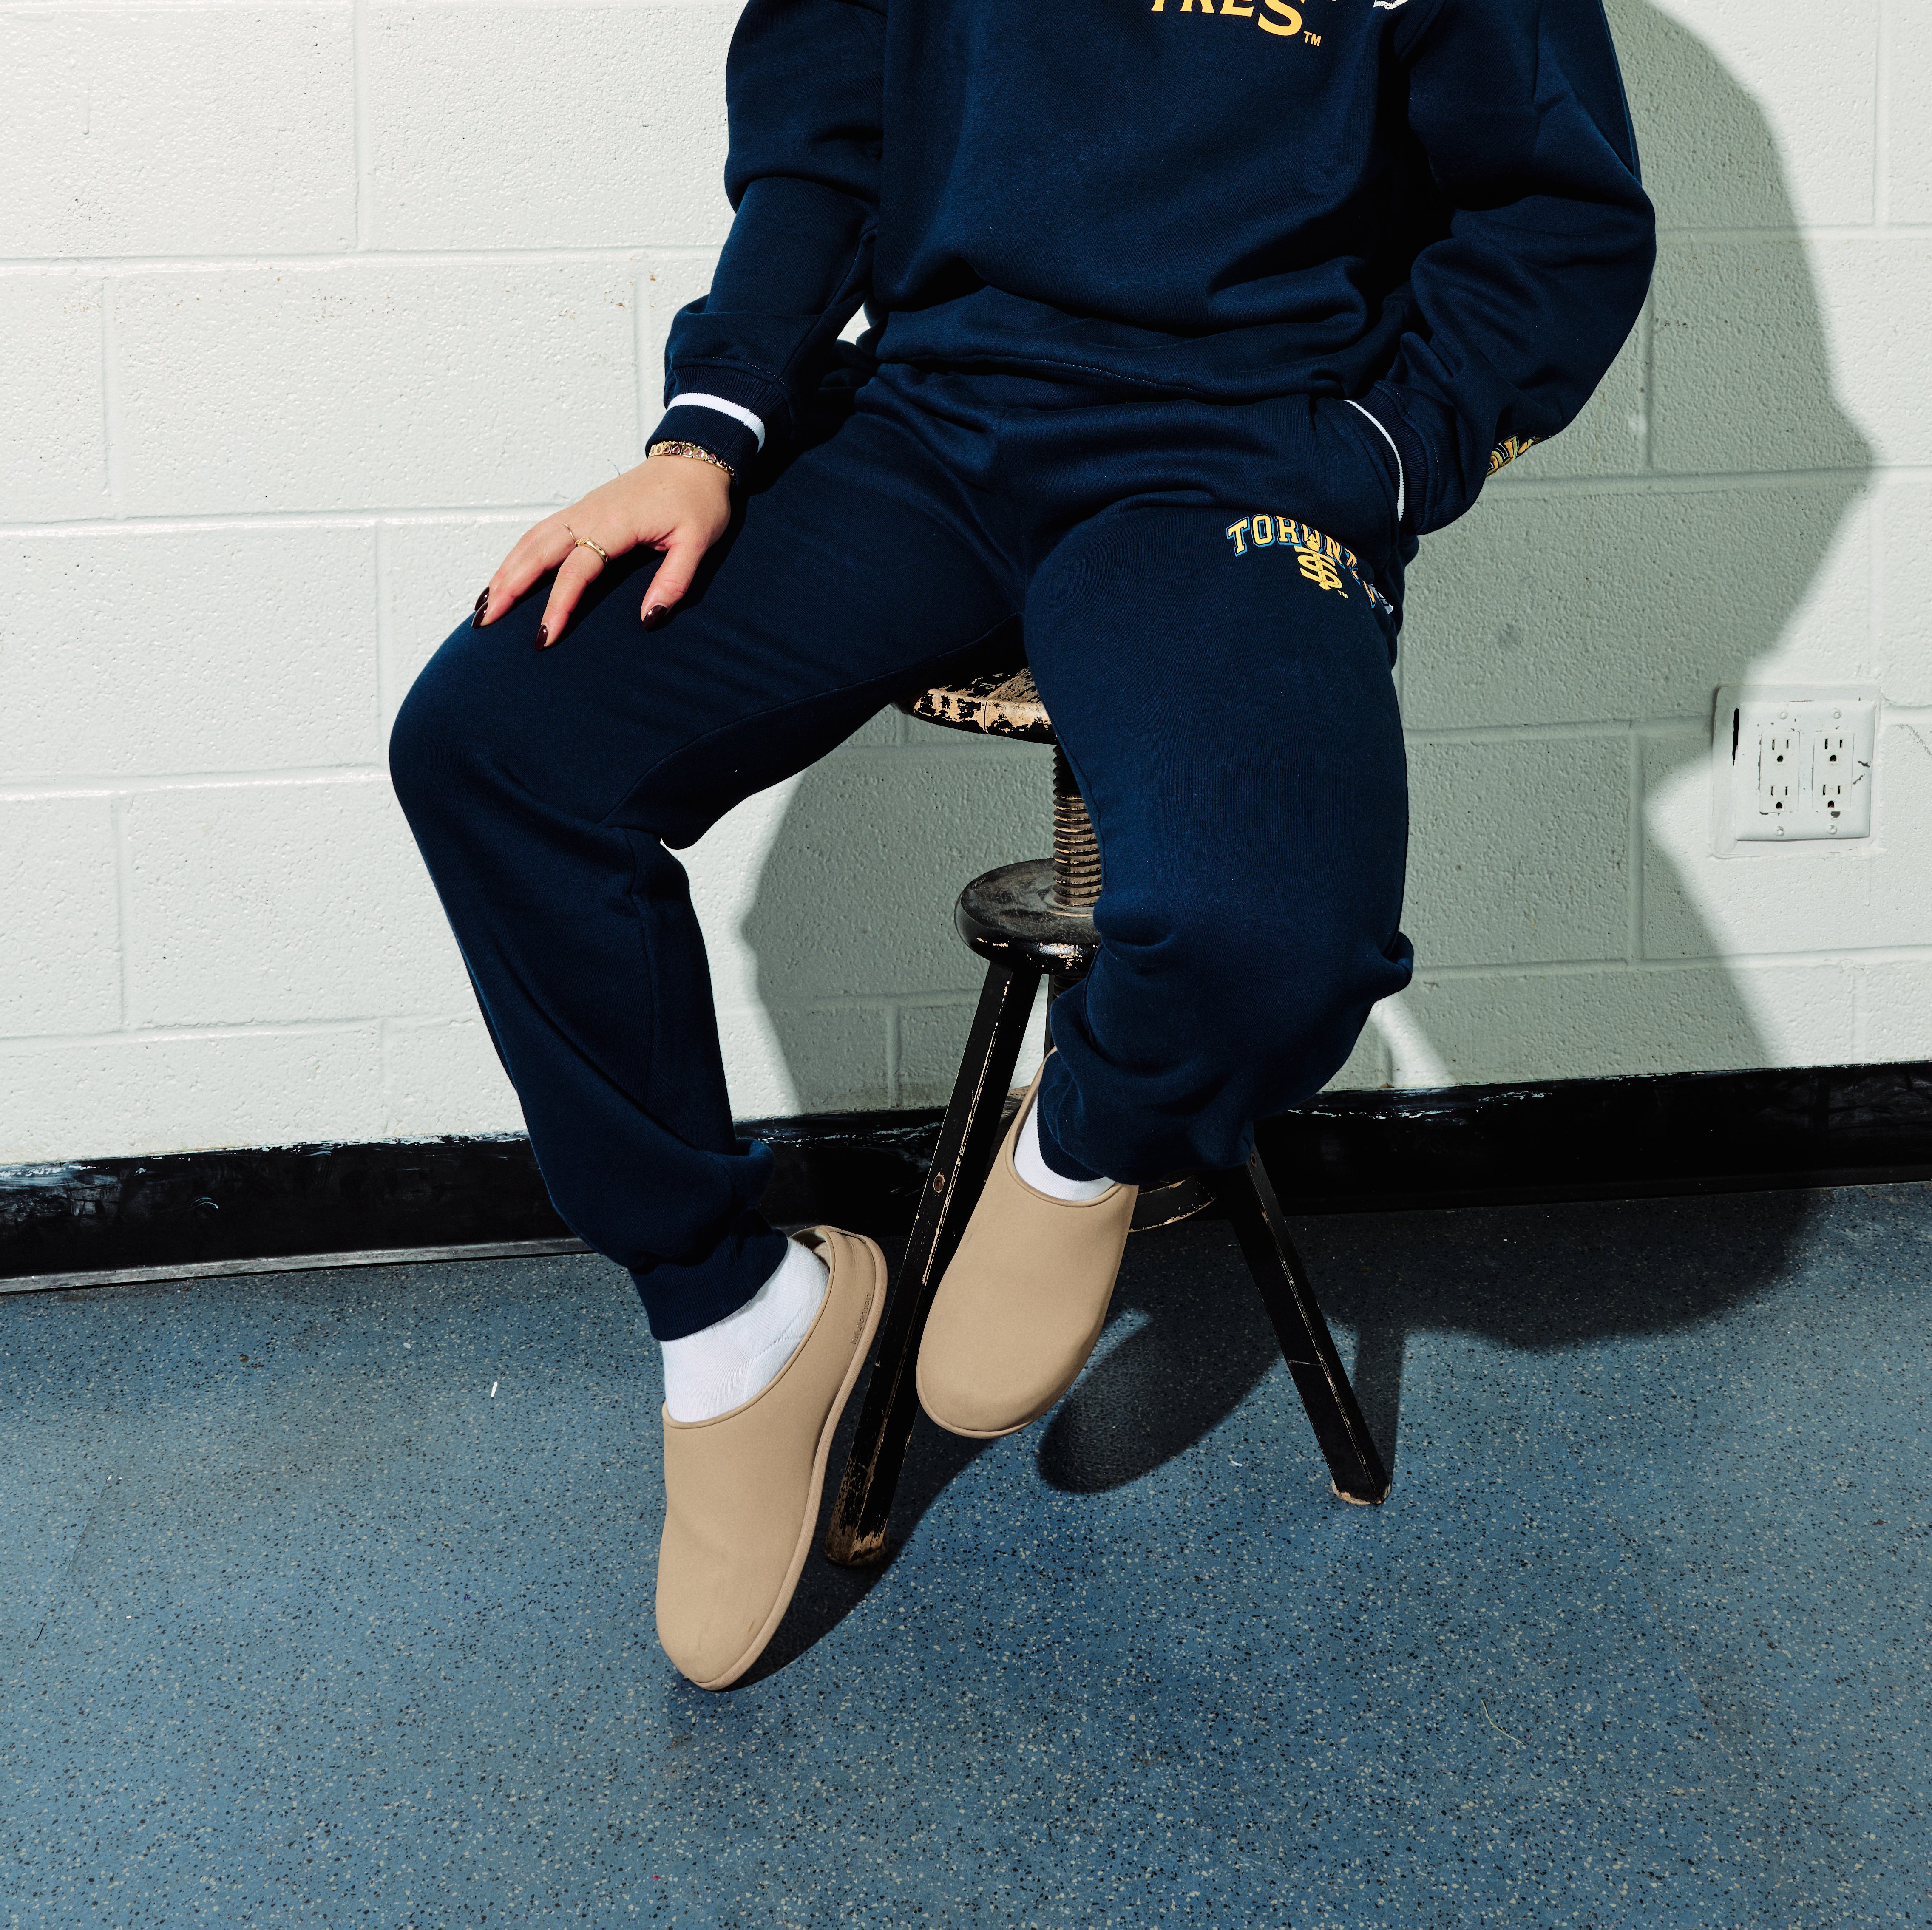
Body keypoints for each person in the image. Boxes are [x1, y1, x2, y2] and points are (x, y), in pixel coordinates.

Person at [390, 0, 1655, 1689]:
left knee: (1276, 935)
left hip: (1231, 457)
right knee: (498, 740)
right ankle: (733, 1317)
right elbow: (820, 132)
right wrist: (706, 429)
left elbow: (1559, 214)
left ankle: (1077, 1149)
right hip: (924, 422)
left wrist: (1380, 449)